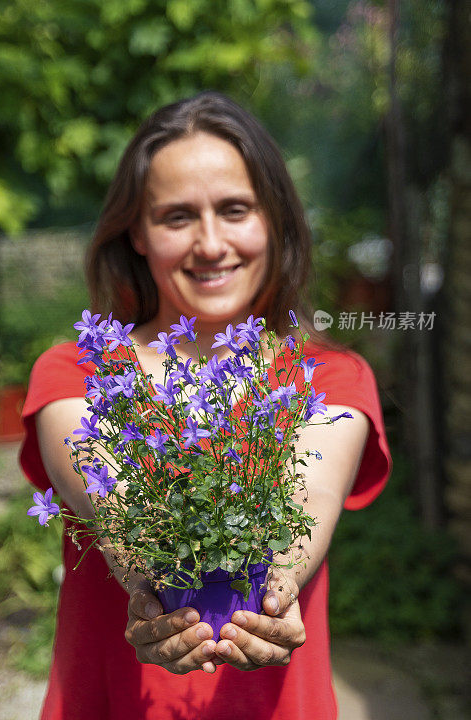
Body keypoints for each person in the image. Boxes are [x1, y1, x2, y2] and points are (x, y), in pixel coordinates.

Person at [20, 91, 391, 720]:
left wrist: (273, 593)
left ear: (274, 219)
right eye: (176, 217)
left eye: (236, 209)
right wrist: (149, 584)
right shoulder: (79, 373)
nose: (211, 243)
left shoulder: (328, 376)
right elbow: (109, 501)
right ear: (136, 231)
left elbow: (310, 500)